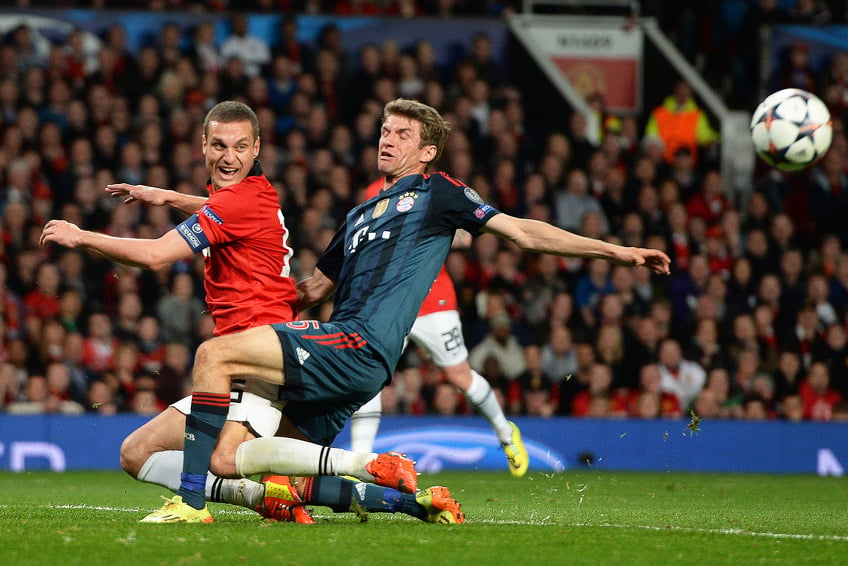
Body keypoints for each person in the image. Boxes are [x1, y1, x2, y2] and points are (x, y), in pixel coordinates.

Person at [122, 98, 669, 523]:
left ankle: (190, 503)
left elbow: (522, 232)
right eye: (386, 129)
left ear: (427, 152)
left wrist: (617, 251)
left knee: (214, 356)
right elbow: (310, 289)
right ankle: (418, 501)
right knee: (255, 464)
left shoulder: (439, 194)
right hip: (337, 351)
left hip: (360, 343)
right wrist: (241, 261)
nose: (388, 138)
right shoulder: (360, 213)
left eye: (403, 133)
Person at [41, 101, 443, 525]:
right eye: (218, 145)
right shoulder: (247, 198)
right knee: (136, 453)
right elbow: (219, 209)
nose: (228, 157)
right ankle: (405, 502)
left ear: (256, 149)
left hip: (255, 355)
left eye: (239, 147)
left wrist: (81, 236)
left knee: (226, 458)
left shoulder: (238, 203)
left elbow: (157, 255)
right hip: (248, 359)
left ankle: (206, 500)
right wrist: (169, 197)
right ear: (203, 145)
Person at [348, 179, 529, 478]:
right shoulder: (371, 192)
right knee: (369, 374)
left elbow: (465, 238)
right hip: (389, 302)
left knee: (460, 376)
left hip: (434, 300)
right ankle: (357, 462)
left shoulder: (433, 187)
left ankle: (506, 434)